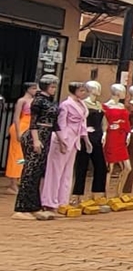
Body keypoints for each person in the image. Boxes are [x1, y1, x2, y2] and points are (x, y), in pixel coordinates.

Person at [13, 77, 58, 219]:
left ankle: (34, 206)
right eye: (52, 87)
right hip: (36, 136)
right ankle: (21, 208)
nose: (54, 89)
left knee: (37, 173)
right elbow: (33, 123)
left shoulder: (49, 101)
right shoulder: (38, 101)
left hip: (46, 136)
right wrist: (36, 140)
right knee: (29, 172)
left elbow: (55, 123)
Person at [41, 81, 88, 213]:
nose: (83, 93)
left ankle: (63, 200)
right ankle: (49, 201)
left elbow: (82, 124)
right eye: (81, 90)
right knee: (55, 171)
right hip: (64, 138)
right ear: (75, 90)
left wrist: (86, 139)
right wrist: (62, 141)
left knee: (67, 172)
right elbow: (60, 125)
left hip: (75, 139)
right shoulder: (66, 104)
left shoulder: (82, 104)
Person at [5, 81, 37, 194]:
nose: (35, 90)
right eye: (33, 88)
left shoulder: (35, 101)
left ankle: (19, 178)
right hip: (21, 126)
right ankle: (13, 182)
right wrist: (18, 132)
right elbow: (16, 118)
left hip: (30, 127)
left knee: (25, 156)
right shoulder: (21, 101)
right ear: (27, 89)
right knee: (16, 154)